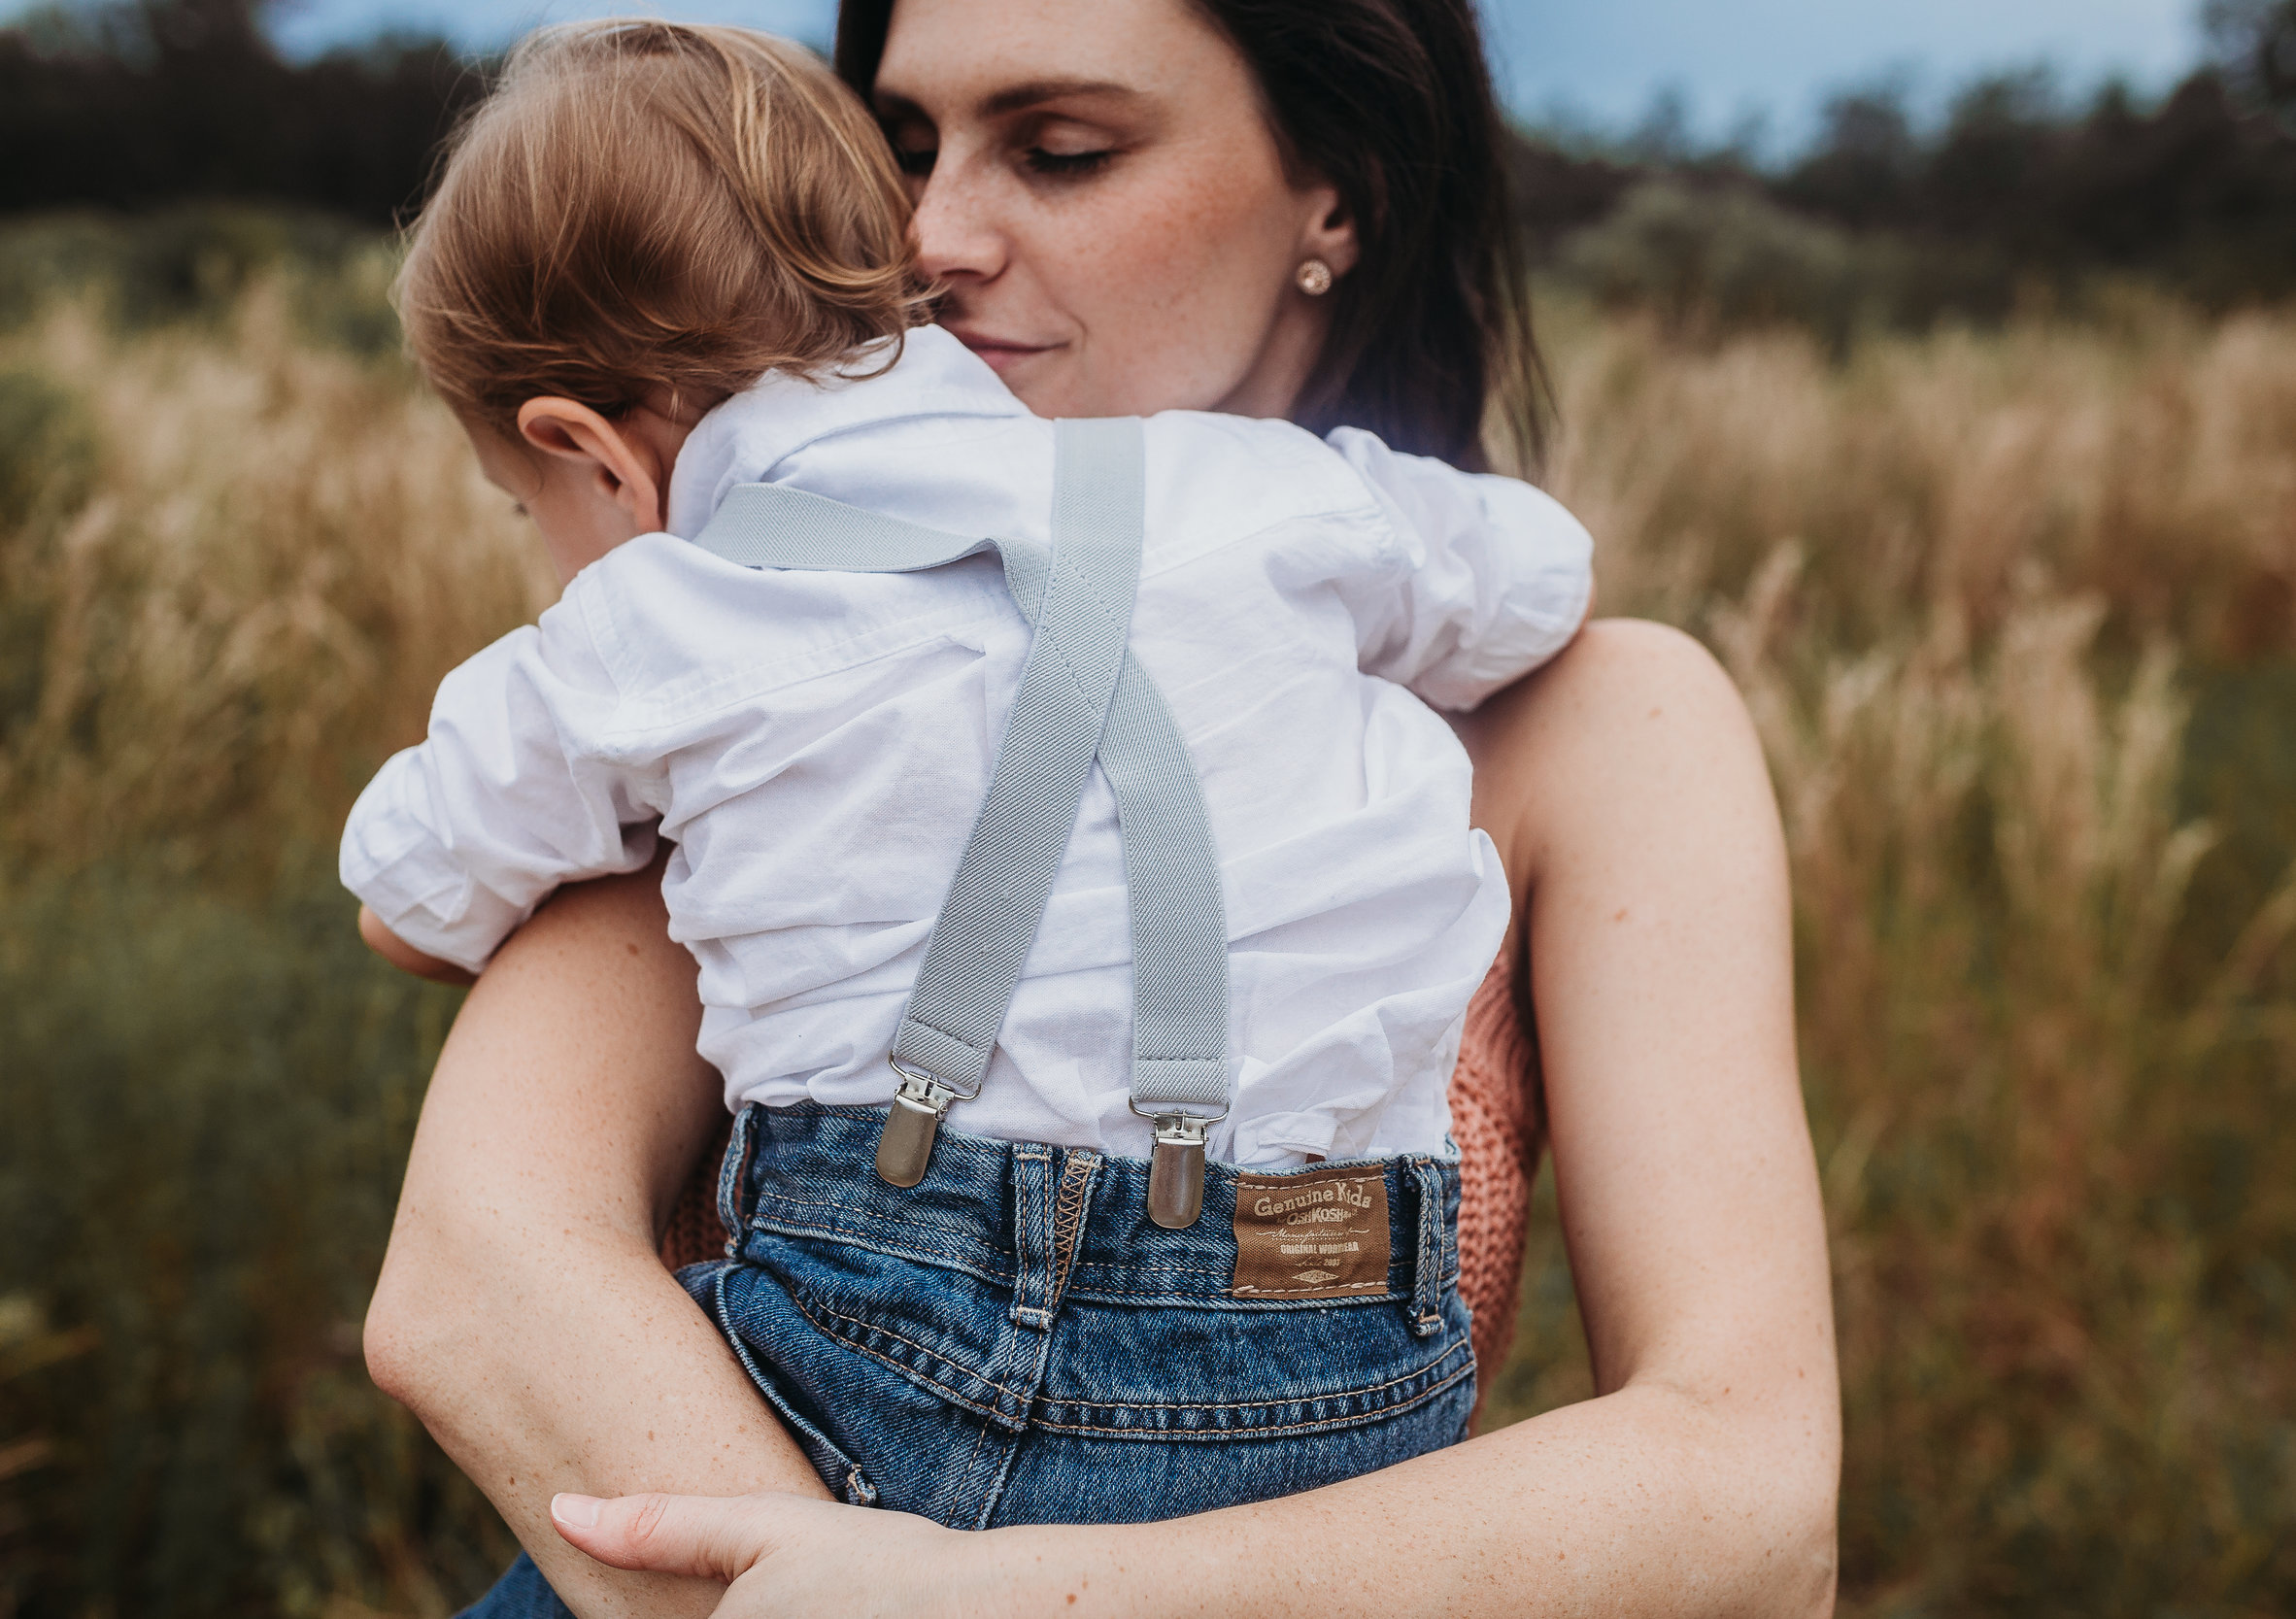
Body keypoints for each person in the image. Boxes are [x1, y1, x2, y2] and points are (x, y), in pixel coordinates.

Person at [359, 2, 1842, 1615]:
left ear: (1332, 195)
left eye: (1061, 151)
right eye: (900, 149)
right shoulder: (767, 675)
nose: (929, 239)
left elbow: (1749, 1501)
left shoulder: (1600, 723)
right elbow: (480, 1282)